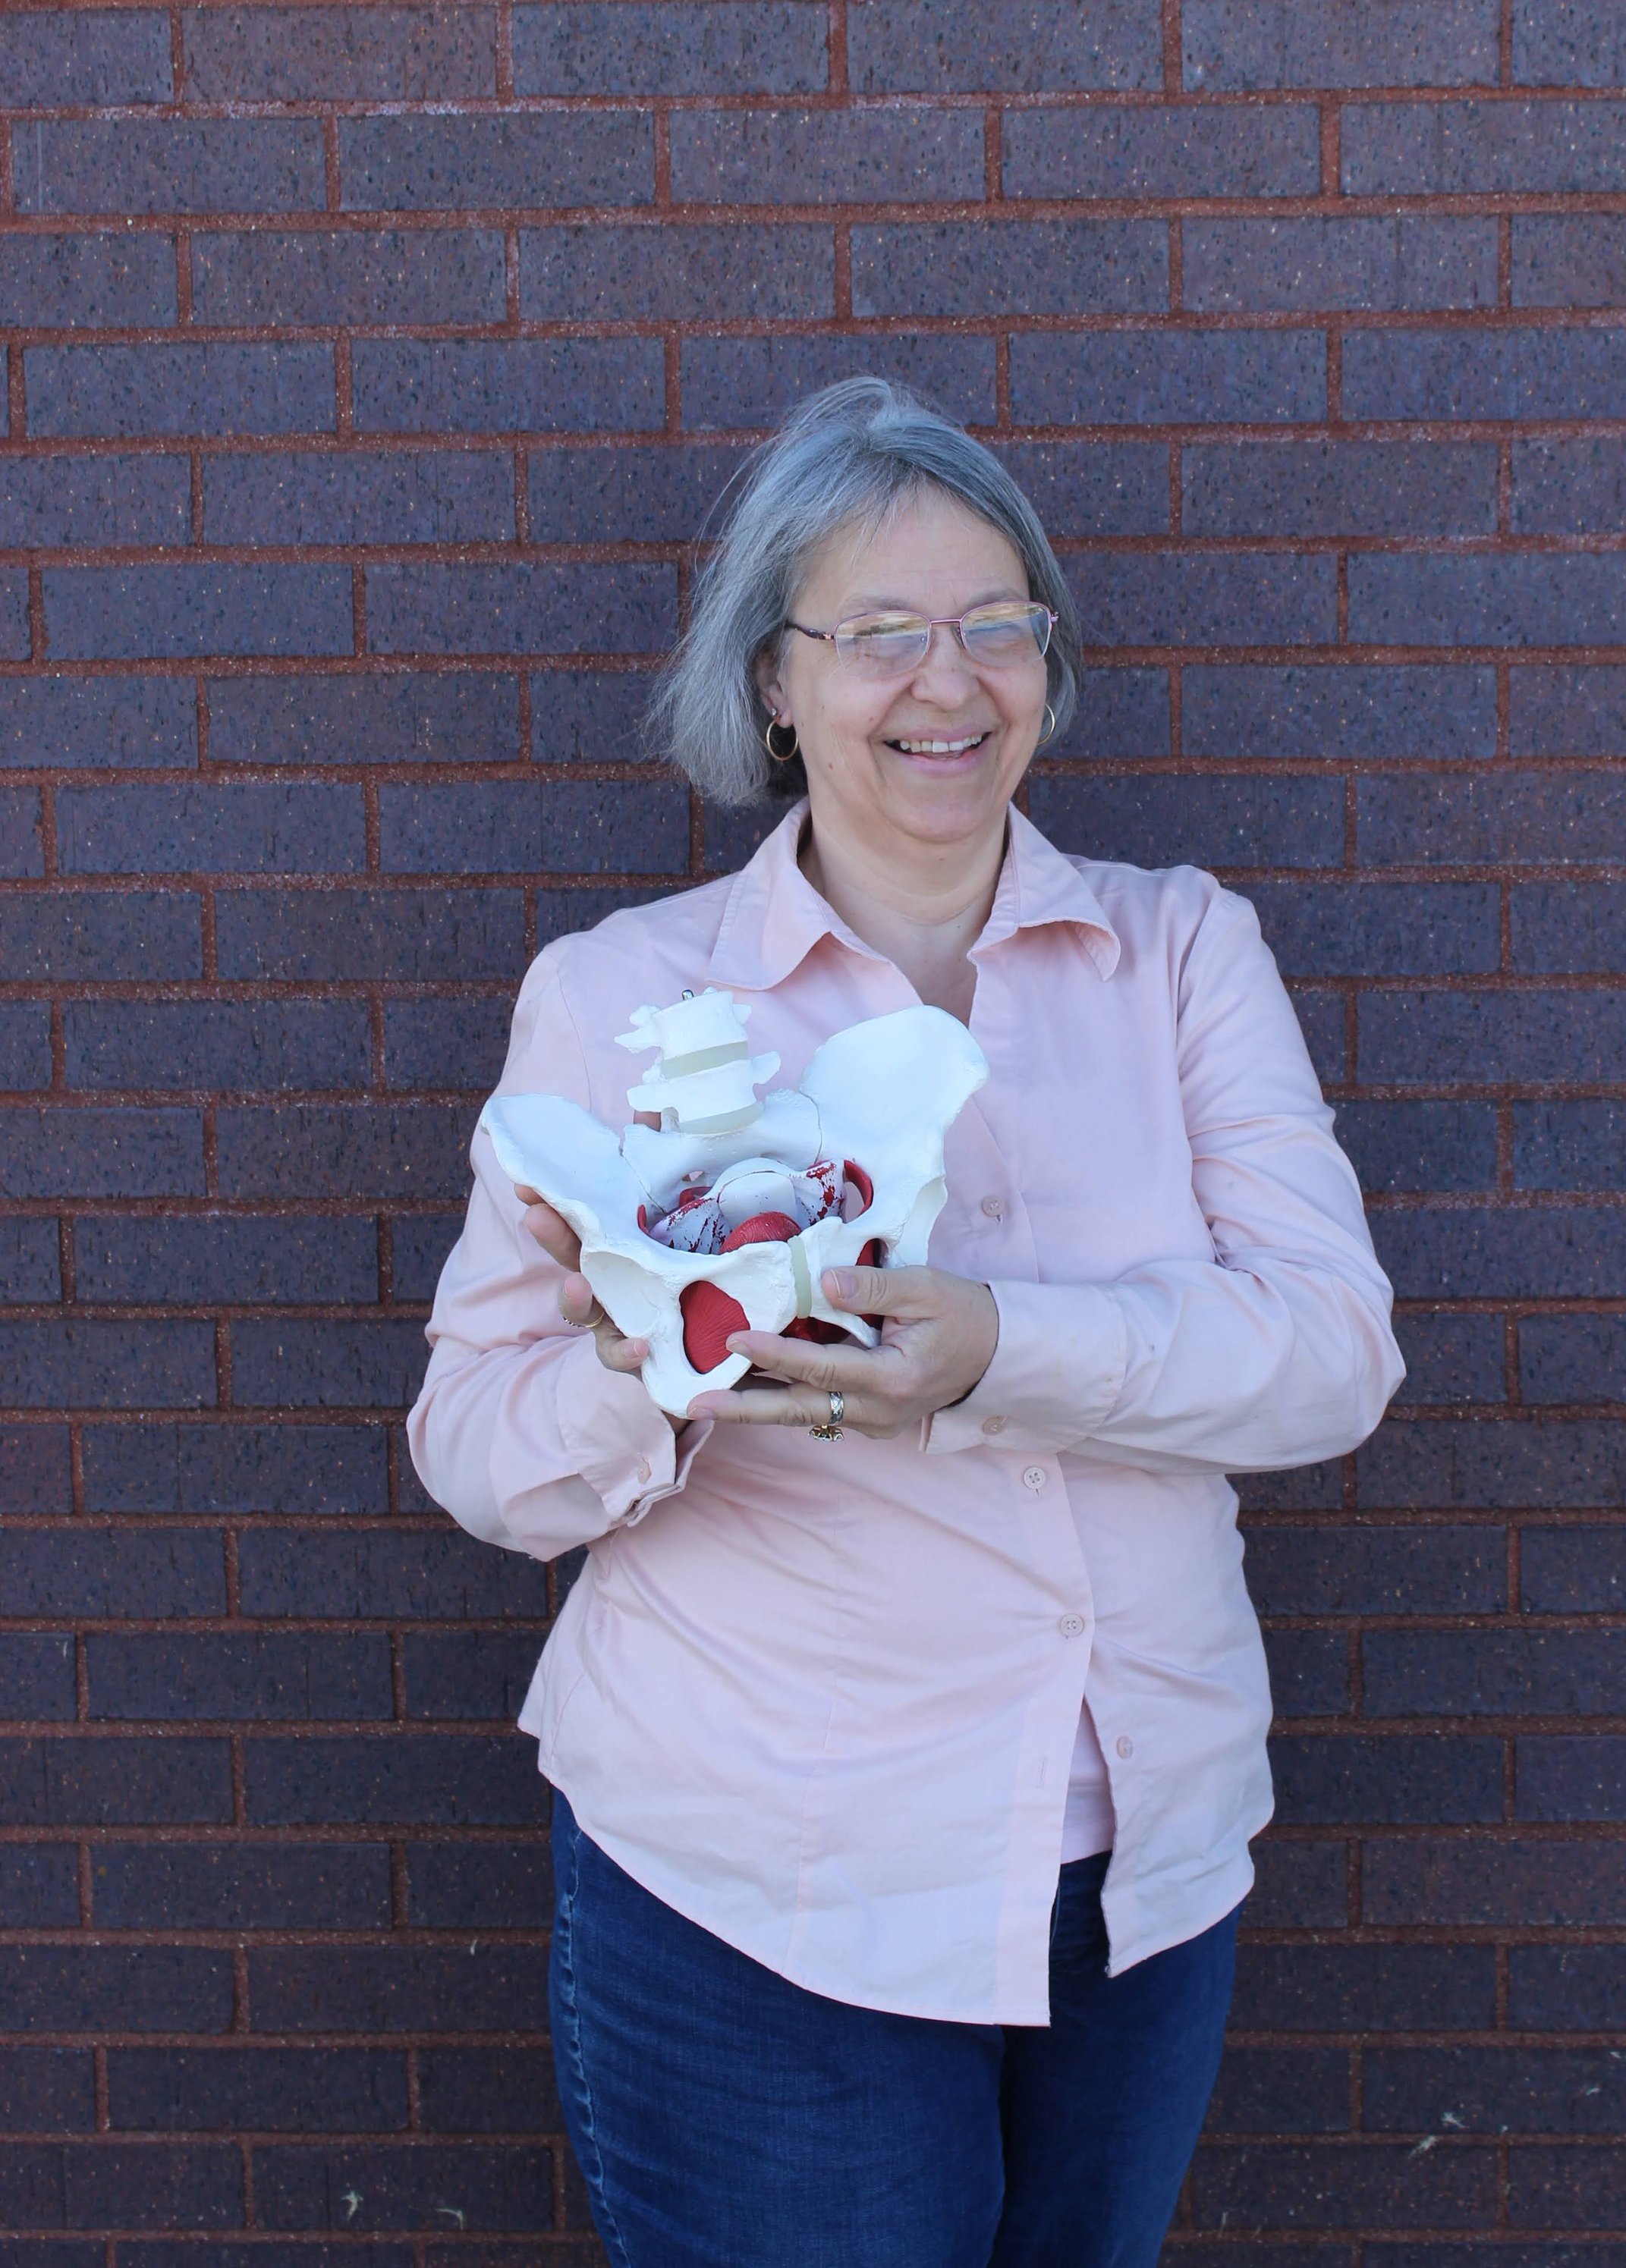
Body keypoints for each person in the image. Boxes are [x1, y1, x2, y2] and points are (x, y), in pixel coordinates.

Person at [408, 379, 1402, 2268]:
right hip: (765, 1891)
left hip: (1135, 1873)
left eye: (994, 624)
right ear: (773, 683)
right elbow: (475, 1447)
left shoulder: (1179, 952)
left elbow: (1329, 1352)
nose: (947, 682)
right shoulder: (621, 1002)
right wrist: (652, 1372)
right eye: (876, 633)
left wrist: (992, 1354)